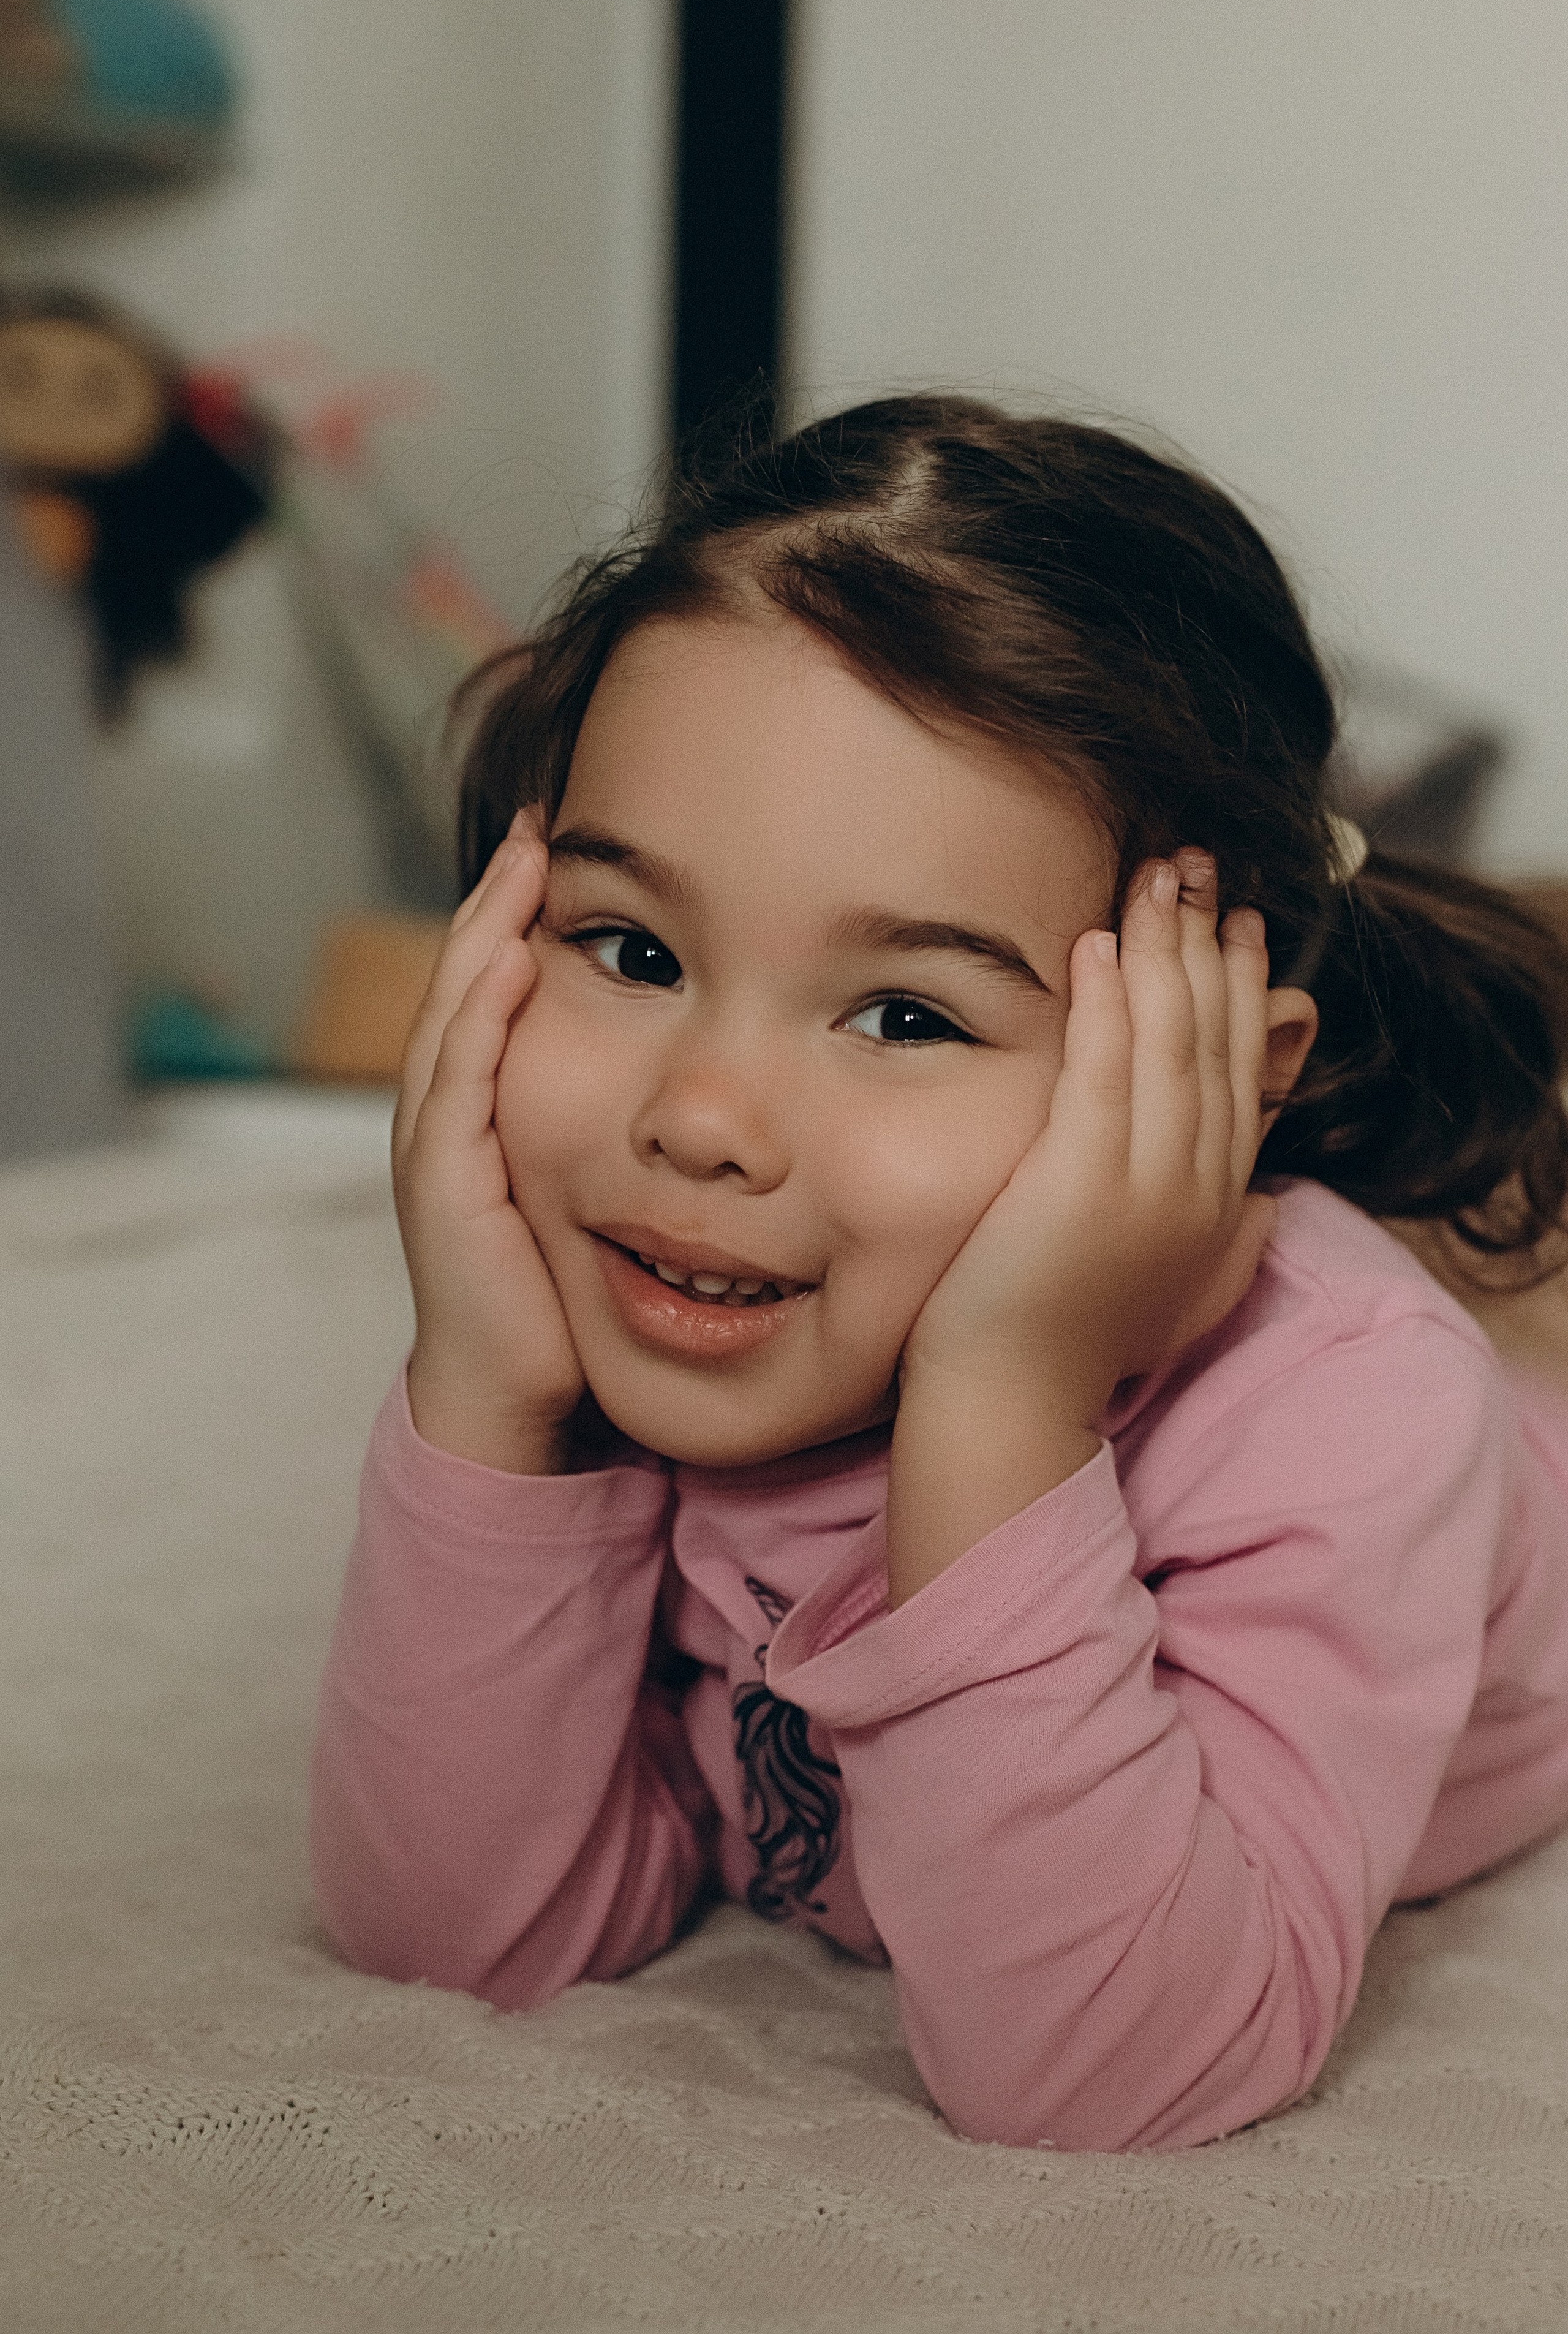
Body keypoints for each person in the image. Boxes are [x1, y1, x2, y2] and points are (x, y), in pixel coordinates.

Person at [311, 398, 1568, 2153]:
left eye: (908, 1010)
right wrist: (485, 1400)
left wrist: (1000, 1408)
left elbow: (1117, 2071)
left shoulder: (1353, 1415)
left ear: (1227, 1076)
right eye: (631, 946)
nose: (702, 1118)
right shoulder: (666, 1296)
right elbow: (469, 1935)